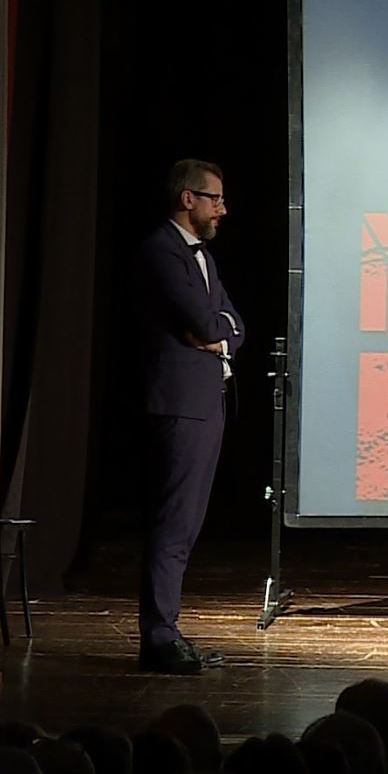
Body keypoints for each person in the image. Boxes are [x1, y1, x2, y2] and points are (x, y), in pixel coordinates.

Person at [132, 158, 246, 674]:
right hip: (180, 403)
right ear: (188, 200)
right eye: (215, 199)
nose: (223, 209)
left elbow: (233, 325)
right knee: (173, 524)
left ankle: (167, 631)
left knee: (188, 523)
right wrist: (214, 326)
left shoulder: (202, 257)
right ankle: (159, 637)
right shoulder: (163, 251)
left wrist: (218, 330)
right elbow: (203, 319)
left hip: (205, 400)